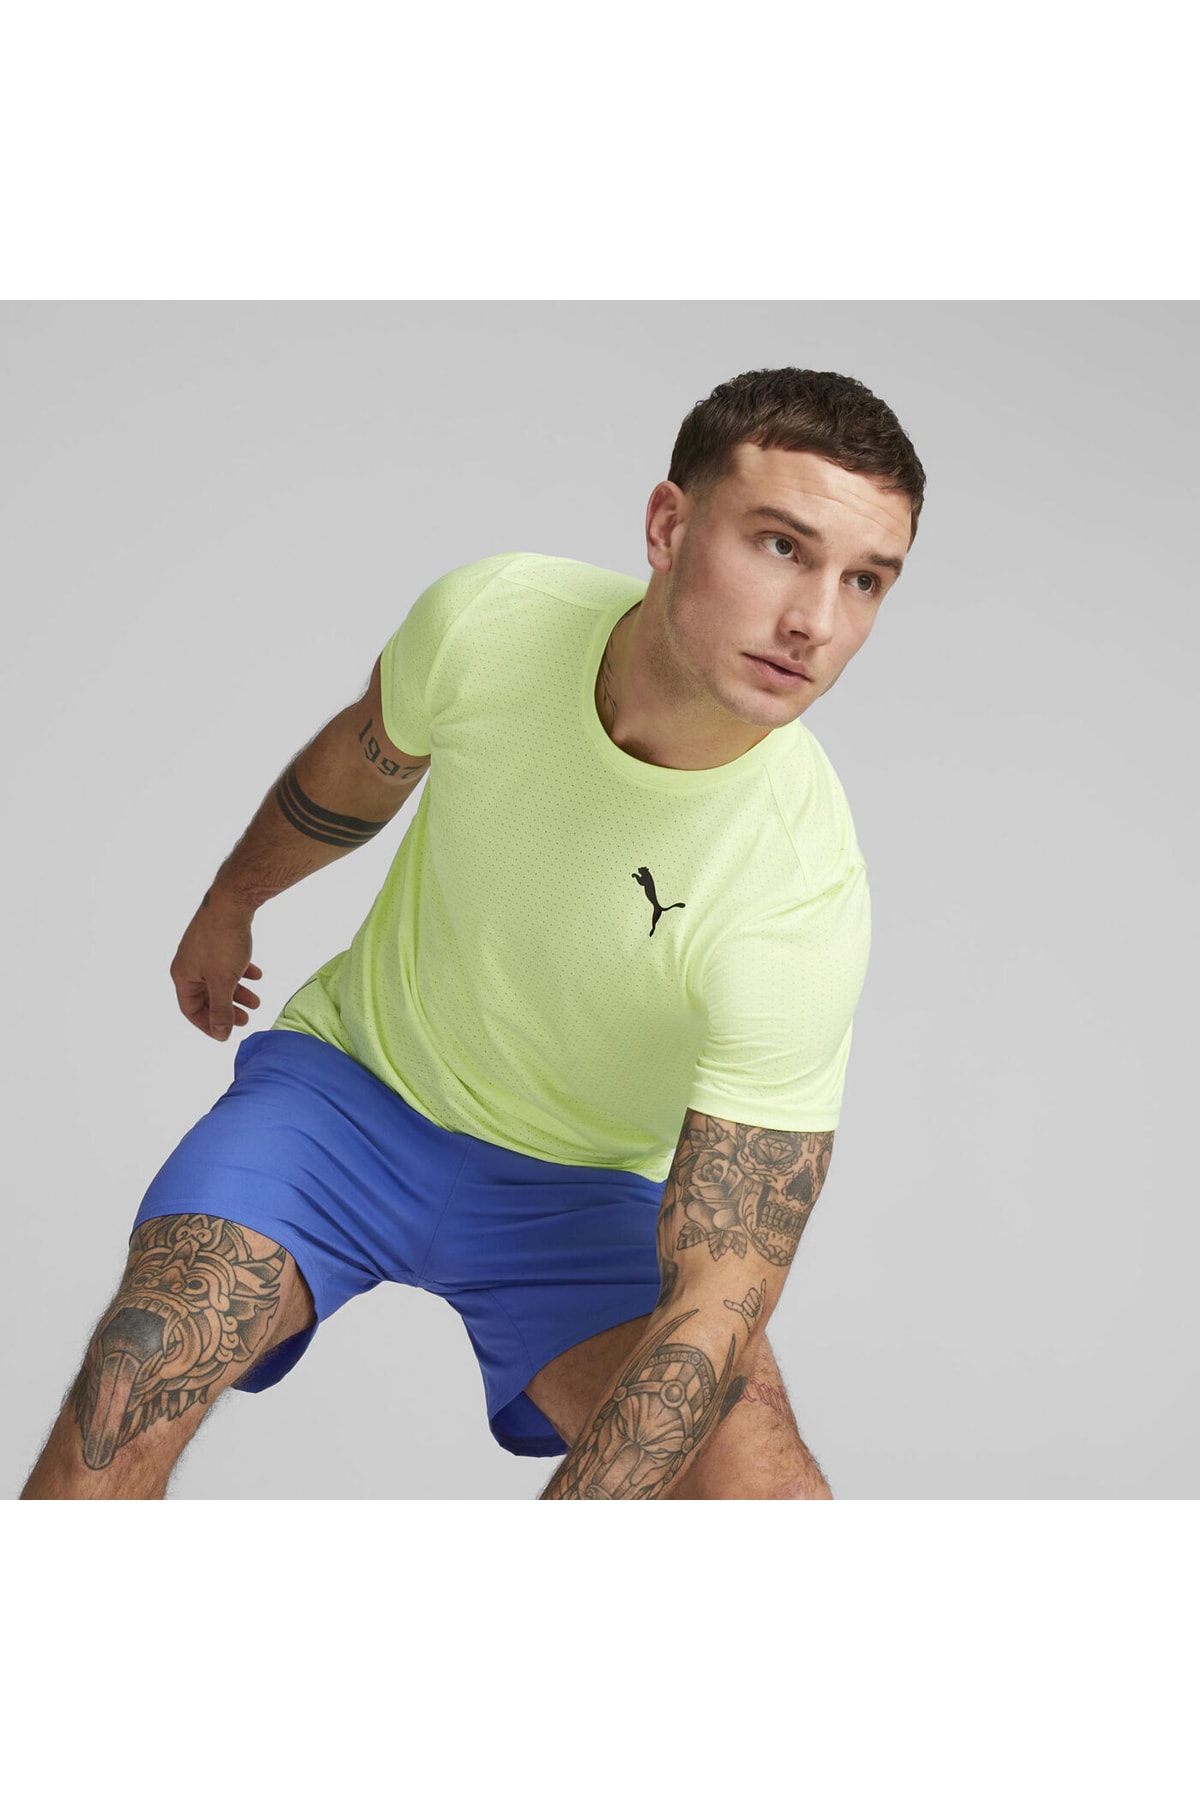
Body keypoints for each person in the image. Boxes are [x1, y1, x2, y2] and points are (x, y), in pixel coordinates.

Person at [21, 365, 924, 1500]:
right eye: (782, 546)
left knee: (768, 1503)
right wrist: (232, 901)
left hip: (579, 1194)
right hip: (348, 1102)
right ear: (668, 525)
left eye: (865, 580)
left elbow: (717, 1300)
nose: (816, 622)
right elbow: (363, 762)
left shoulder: (799, 890)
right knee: (128, 1386)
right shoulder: (497, 619)